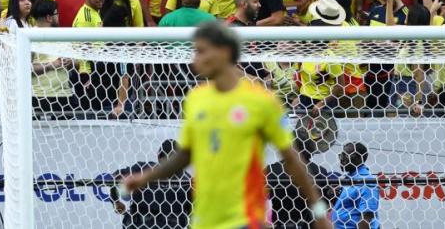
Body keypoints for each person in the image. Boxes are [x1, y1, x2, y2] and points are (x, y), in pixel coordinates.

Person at [123, 22, 332, 229]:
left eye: (201, 51)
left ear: (224, 52)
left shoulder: (262, 101)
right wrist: (145, 178)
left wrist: (320, 213)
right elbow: (184, 155)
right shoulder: (196, 99)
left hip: (245, 217)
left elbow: (293, 160)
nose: (195, 60)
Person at [330, 142, 379, 229]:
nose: (341, 159)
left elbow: (366, 217)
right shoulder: (349, 177)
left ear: (358, 158)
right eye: (340, 155)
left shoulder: (366, 180)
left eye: (345, 155)